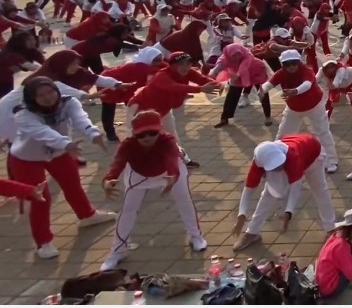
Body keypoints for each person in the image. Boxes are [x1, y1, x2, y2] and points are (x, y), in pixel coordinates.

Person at [6, 77, 117, 259]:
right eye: (41, 95)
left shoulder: (68, 102)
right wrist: (66, 144)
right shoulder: (23, 114)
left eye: (50, 91)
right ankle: (43, 242)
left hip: (60, 152)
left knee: (73, 185)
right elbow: (43, 133)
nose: (48, 97)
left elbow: (80, 118)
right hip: (26, 158)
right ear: (32, 98)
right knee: (41, 198)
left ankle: (87, 215)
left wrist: (93, 133)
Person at [100, 110, 206, 271]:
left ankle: (196, 236)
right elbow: (117, 164)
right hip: (139, 174)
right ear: (134, 133)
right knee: (127, 210)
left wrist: (173, 175)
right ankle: (117, 251)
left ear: (160, 129)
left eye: (152, 132)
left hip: (169, 172)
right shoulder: (128, 145)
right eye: (141, 134)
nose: (147, 137)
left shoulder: (167, 140)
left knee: (184, 200)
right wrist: (108, 180)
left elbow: (171, 159)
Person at [233, 134, 336, 251]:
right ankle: (252, 232)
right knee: (268, 193)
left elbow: (295, 188)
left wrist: (289, 212)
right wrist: (241, 214)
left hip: (313, 153)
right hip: (294, 155)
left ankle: (330, 228)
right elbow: (249, 189)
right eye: (276, 165)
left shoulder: (292, 157)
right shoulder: (258, 163)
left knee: (319, 189)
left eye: (280, 163)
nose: (280, 166)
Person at [211, 43, 272, 128]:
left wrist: (236, 75)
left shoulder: (248, 55)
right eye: (234, 55)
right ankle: (225, 118)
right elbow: (219, 66)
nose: (237, 57)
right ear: (229, 55)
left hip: (257, 72)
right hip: (238, 76)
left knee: (263, 93)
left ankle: (268, 117)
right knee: (231, 97)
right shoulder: (225, 58)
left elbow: (243, 68)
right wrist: (213, 74)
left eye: (238, 54)